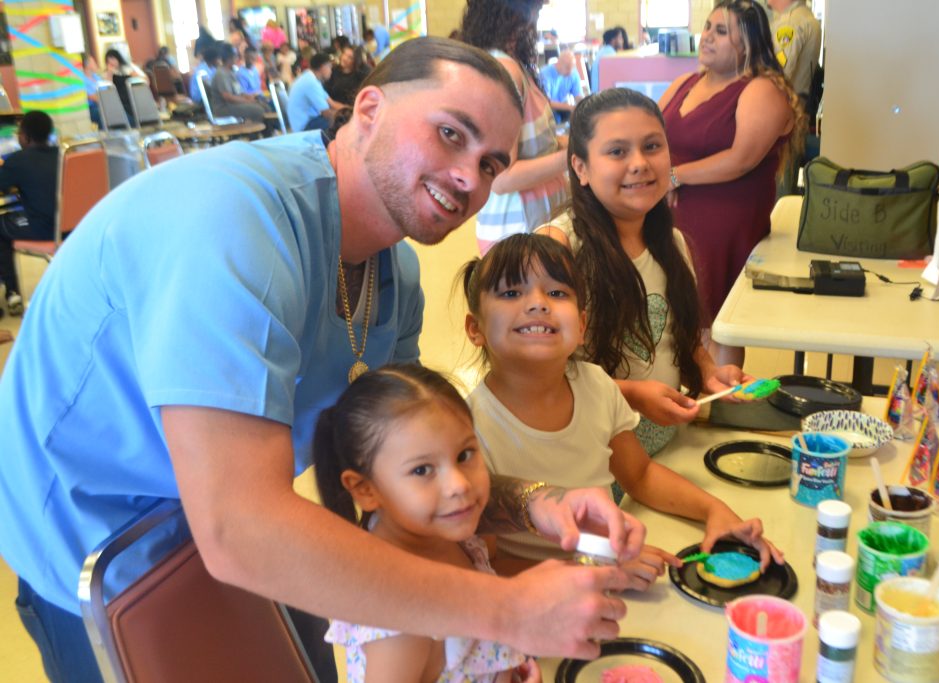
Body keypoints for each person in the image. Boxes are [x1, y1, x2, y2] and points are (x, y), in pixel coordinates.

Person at [0, 37, 642, 683]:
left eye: (490, 162)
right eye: (450, 134)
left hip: (246, 525)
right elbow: (241, 527)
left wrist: (533, 501)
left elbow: (393, 468)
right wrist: (506, 610)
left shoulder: (395, 277)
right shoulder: (232, 224)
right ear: (368, 109)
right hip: (103, 546)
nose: (469, 177)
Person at [460, 233, 782, 588]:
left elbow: (640, 476)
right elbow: (489, 563)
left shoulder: (596, 385)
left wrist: (715, 512)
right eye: (511, 293)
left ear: (581, 325)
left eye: (556, 293)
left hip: (615, 578)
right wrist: (596, 570)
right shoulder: (468, 430)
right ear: (476, 329)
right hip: (541, 605)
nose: (538, 304)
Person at [537, 88, 752, 455]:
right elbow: (540, 376)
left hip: (661, 453)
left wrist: (708, 372)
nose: (639, 163)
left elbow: (676, 340)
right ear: (581, 167)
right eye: (617, 151)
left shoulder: (673, 244)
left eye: (652, 146)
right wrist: (633, 395)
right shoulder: (558, 248)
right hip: (587, 465)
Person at [315, 365, 541, 683]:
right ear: (366, 490)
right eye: (422, 470)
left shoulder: (447, 536)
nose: (459, 485)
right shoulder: (402, 621)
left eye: (464, 454)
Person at [659, 0, 802, 367]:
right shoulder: (684, 83)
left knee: (716, 319)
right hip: (671, 215)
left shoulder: (760, 90)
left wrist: (675, 175)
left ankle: (719, 398)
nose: (707, 37)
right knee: (674, 314)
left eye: (721, 32)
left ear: (748, 45)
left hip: (724, 219)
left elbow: (741, 159)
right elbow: (651, 133)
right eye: (707, 27)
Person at [459, 0, 569, 253]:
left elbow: (532, 143)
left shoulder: (508, 63)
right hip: (518, 230)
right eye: (536, 11)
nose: (535, 22)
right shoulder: (504, 69)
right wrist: (572, 156)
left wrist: (567, 144)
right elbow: (502, 178)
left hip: (530, 223)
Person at [0, 111, 58, 316]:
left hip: (43, 228)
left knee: (1, 226)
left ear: (25, 137)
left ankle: (12, 292)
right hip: (73, 227)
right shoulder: (62, 154)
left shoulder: (18, 160)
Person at [767, 0, 821, 111]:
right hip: (795, 106)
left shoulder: (790, 22)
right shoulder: (804, 16)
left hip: (783, 106)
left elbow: (778, 73)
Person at [210, 42, 267, 123]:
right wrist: (249, 101)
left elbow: (239, 92)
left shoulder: (231, 72)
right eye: (235, 55)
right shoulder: (221, 74)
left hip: (232, 104)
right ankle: (253, 134)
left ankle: (267, 132)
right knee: (258, 110)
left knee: (264, 105)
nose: (237, 58)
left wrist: (251, 98)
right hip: (223, 108)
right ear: (229, 57)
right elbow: (228, 97)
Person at [287, 52, 343, 131]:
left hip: (310, 122)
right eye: (330, 67)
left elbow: (332, 103)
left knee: (341, 120)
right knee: (339, 123)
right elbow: (326, 113)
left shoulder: (311, 78)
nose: (331, 71)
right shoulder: (310, 82)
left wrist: (352, 110)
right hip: (305, 127)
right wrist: (346, 118)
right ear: (323, 67)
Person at [539, 47, 582, 124]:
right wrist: (570, 107)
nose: (570, 72)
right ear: (558, 64)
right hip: (548, 108)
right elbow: (546, 102)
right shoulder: (545, 74)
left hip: (563, 106)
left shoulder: (573, 73)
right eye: (567, 68)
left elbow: (578, 96)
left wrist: (583, 106)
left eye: (572, 68)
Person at [590, 27, 624, 93]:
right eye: (620, 37)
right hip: (601, 95)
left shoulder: (604, 51)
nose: (622, 40)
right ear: (613, 40)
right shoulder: (610, 55)